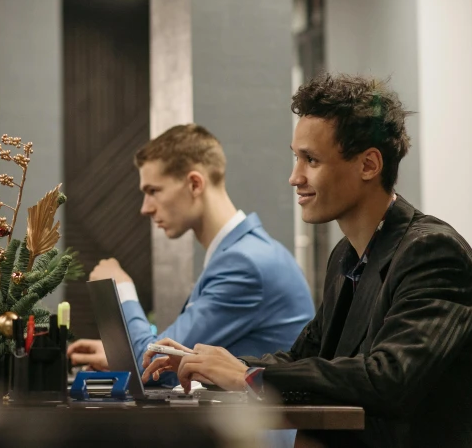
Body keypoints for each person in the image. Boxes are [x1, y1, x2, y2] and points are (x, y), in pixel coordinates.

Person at [143, 74, 472, 448]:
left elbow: (389, 378)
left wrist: (250, 376)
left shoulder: (433, 251)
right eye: (296, 157)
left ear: (368, 165)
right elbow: (303, 357)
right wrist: (208, 366)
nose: (294, 177)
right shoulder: (346, 257)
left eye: (311, 160)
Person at [67, 124, 315, 384]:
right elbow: (174, 363)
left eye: (153, 191)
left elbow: (152, 365)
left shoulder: (245, 264)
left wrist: (121, 289)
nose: (145, 208)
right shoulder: (244, 254)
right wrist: (118, 356)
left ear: (195, 183)